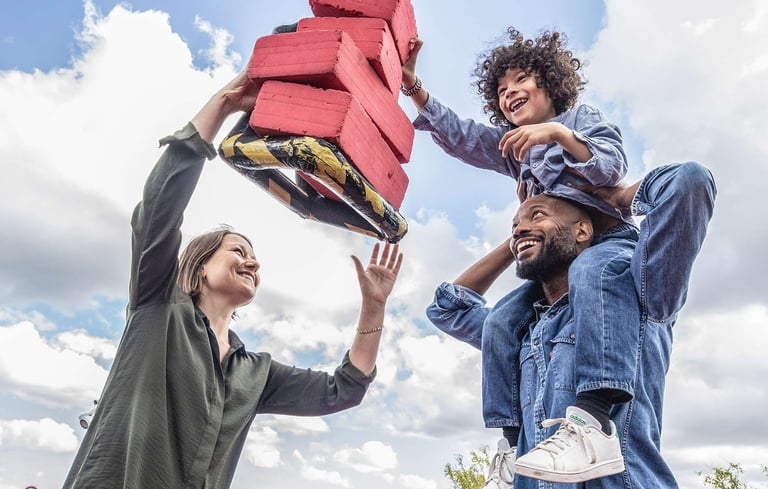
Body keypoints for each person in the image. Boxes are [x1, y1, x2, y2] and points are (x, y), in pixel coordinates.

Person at [62, 68, 404, 488]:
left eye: (255, 258)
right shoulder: (158, 307)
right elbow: (157, 213)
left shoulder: (256, 375)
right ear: (200, 265)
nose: (253, 264)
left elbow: (343, 390)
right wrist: (224, 104)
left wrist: (374, 308)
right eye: (239, 251)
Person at [402, 28, 640, 485]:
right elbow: (464, 137)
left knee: (591, 271)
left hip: (604, 246)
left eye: (520, 81)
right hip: (559, 260)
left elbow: (612, 166)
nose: (509, 93)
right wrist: (414, 89)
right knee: (498, 323)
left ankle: (593, 418)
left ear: (549, 83)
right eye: (501, 90)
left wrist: (557, 133)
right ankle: (511, 443)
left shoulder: (578, 118)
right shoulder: (520, 150)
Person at [427, 161, 716, 488]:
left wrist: (618, 198)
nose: (519, 228)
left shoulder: (637, 299)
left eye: (538, 215)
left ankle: (592, 421)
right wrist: (522, 234)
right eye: (514, 226)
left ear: (582, 230)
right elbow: (447, 309)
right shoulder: (520, 332)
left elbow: (689, 182)